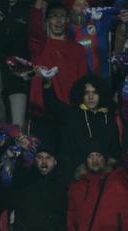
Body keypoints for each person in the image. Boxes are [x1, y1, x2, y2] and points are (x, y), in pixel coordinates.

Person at [27, 1, 88, 135]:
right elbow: (34, 27)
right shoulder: (40, 45)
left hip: (69, 112)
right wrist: (38, 5)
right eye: (54, 16)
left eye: (62, 16)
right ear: (47, 20)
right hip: (42, 112)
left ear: (68, 20)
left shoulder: (78, 50)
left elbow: (83, 81)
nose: (58, 20)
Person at [43, 73, 120, 175]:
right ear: (81, 95)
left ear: (101, 94)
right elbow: (52, 104)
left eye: (94, 93)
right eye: (86, 93)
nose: (91, 97)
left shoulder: (108, 118)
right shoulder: (73, 113)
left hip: (104, 177)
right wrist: (47, 83)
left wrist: (110, 167)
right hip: (76, 175)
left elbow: (115, 149)